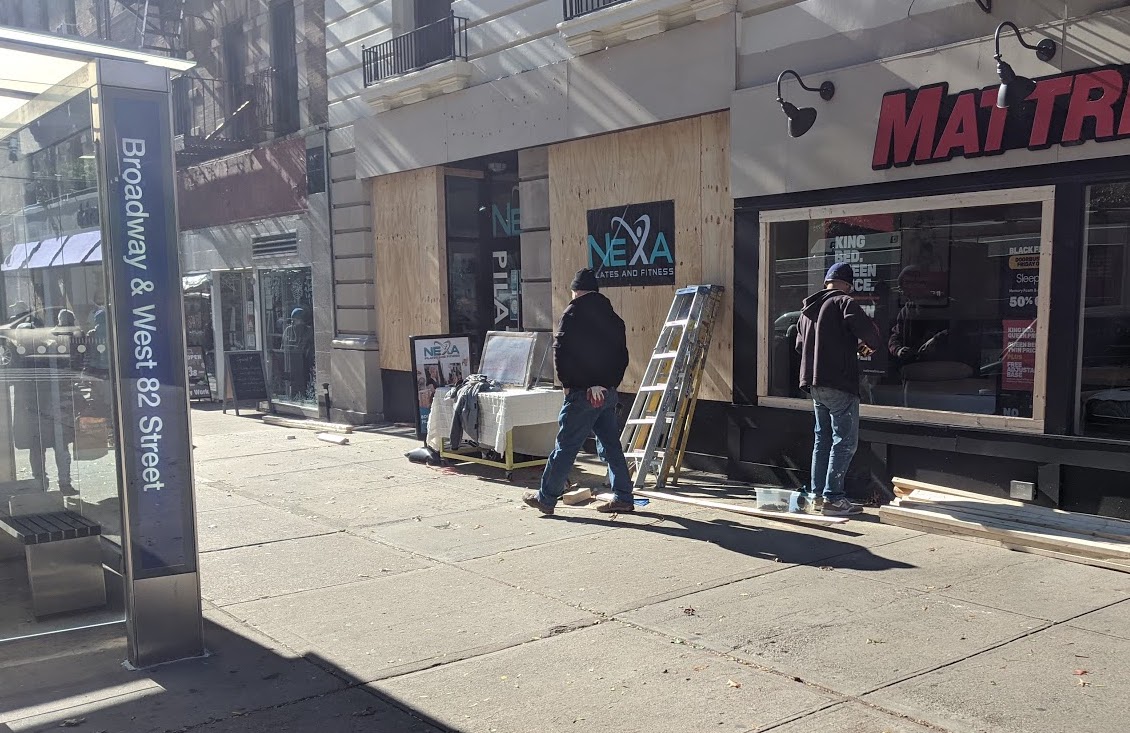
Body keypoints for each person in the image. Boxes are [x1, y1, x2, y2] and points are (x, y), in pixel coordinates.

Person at [524, 268, 633, 515]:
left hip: (582, 394)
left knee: (566, 445)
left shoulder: (572, 313)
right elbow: (622, 357)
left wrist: (567, 384)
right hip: (606, 393)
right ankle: (624, 497)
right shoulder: (614, 318)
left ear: (576, 291)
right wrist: (608, 385)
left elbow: (561, 350)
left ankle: (546, 497)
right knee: (612, 446)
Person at [794, 262, 882, 516]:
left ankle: (816, 496)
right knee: (844, 442)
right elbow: (871, 336)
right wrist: (864, 347)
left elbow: (800, 347)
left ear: (826, 282)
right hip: (839, 383)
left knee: (822, 440)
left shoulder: (807, 310)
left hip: (813, 384)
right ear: (848, 285)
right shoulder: (844, 302)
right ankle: (833, 499)